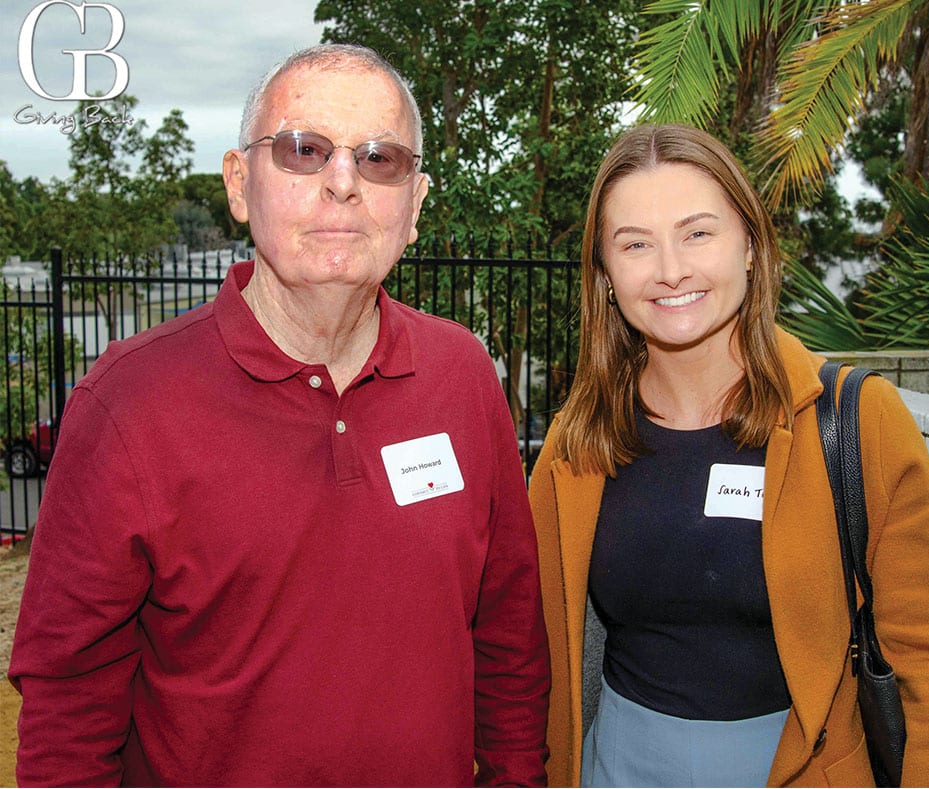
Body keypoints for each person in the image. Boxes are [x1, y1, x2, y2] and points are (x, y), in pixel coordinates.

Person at [10, 43, 549, 787]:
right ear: (240, 183)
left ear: (415, 205)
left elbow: (511, 633)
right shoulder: (128, 403)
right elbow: (68, 712)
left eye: (379, 159)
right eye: (304, 149)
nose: (342, 182)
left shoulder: (462, 374)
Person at [528, 123, 929, 787]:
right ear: (604, 274)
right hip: (618, 767)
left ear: (750, 244)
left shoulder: (855, 420)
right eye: (635, 245)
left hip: (804, 767)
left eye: (698, 232)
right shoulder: (578, 443)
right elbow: (529, 647)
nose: (670, 269)